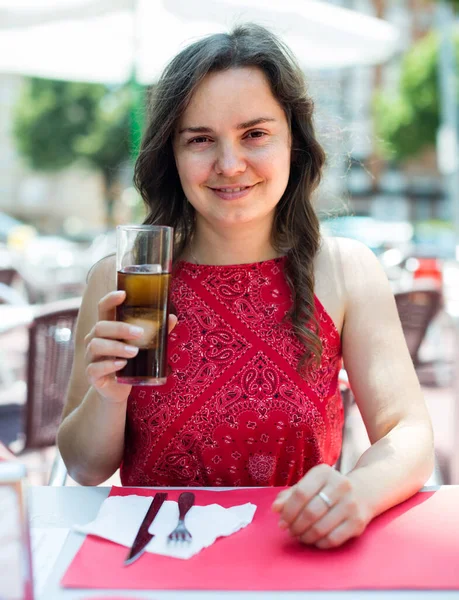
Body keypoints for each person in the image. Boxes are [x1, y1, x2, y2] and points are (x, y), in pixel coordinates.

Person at [57, 23, 434, 550]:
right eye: (201, 140)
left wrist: (357, 494)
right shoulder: (122, 277)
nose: (229, 165)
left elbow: (409, 435)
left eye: (254, 134)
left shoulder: (347, 269)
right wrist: (109, 395)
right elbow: (83, 467)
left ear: (294, 144)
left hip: (296, 556)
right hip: (155, 568)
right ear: (172, 153)